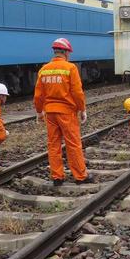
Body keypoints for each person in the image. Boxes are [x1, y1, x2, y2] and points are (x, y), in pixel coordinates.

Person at [34, 38, 91, 186]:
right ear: (65, 52)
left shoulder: (44, 69)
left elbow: (38, 95)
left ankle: (57, 176)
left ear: (55, 52)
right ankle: (80, 176)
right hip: (66, 112)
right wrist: (82, 109)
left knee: (53, 144)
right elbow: (77, 92)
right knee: (73, 143)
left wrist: (39, 112)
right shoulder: (70, 68)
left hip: (50, 113)